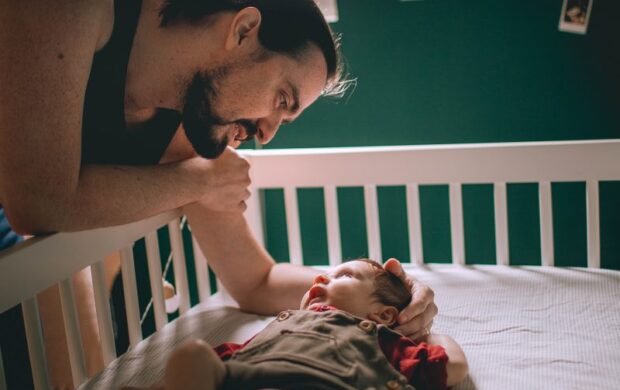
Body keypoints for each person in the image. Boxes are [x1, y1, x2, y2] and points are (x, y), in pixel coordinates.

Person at [0, 0, 437, 387]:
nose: (266, 134)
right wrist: (200, 181)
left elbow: (256, 281)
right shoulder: (72, 9)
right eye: (281, 100)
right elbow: (38, 201)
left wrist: (386, 296)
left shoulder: (188, 128)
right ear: (243, 29)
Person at [132, 259, 467, 390]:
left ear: (382, 315)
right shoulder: (280, 326)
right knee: (192, 356)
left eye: (344, 275)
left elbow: (452, 366)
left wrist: (428, 333)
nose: (320, 277)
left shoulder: (379, 340)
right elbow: (225, 360)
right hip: (249, 380)